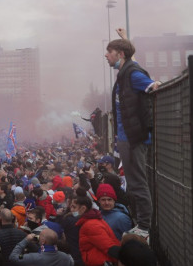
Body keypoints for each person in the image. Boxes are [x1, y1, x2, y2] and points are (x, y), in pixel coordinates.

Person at [106, 34, 160, 241]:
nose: (106, 55)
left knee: (138, 183)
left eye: (109, 52)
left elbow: (150, 85)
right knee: (134, 181)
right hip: (127, 137)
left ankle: (144, 226)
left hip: (134, 138)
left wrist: (156, 84)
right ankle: (141, 223)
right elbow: (131, 60)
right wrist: (125, 39)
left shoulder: (132, 74)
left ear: (119, 54)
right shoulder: (125, 71)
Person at [71, 194, 120, 266]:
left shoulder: (90, 225)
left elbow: (108, 247)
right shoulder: (91, 221)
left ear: (83, 208)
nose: (71, 209)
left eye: (74, 207)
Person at [8, 229, 74, 266]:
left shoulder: (33, 257)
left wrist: (26, 240)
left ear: (43, 241)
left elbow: (13, 257)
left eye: (40, 235)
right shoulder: (65, 257)